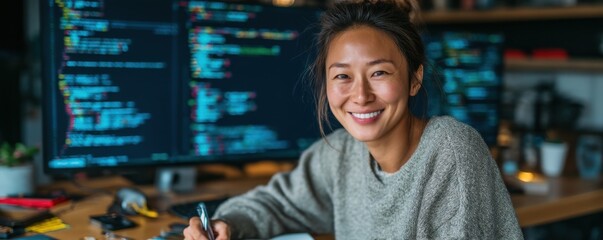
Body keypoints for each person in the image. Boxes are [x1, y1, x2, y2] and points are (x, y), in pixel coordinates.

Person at [184, 0, 523, 239]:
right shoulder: (341, 154)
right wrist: (227, 223)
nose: (360, 96)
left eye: (379, 73)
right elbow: (278, 203)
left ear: (414, 78)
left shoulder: (451, 150)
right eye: (342, 76)